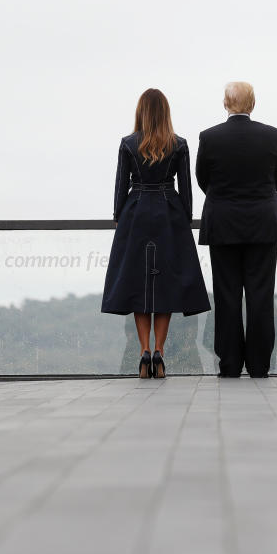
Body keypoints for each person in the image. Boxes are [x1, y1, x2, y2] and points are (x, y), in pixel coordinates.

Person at [102, 88, 210, 379]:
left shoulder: (127, 144)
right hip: (168, 213)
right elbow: (186, 189)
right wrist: (184, 216)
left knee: (139, 285)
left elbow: (120, 187)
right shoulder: (180, 144)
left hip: (136, 213)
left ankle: (143, 351)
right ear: (165, 112)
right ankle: (160, 352)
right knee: (165, 286)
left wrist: (119, 217)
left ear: (141, 111)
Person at [196, 82, 277, 378]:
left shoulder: (209, 137)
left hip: (222, 225)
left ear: (225, 103)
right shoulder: (270, 135)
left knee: (227, 296)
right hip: (262, 223)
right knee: (261, 296)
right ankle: (260, 365)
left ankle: (230, 364)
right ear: (253, 104)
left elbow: (203, 180)